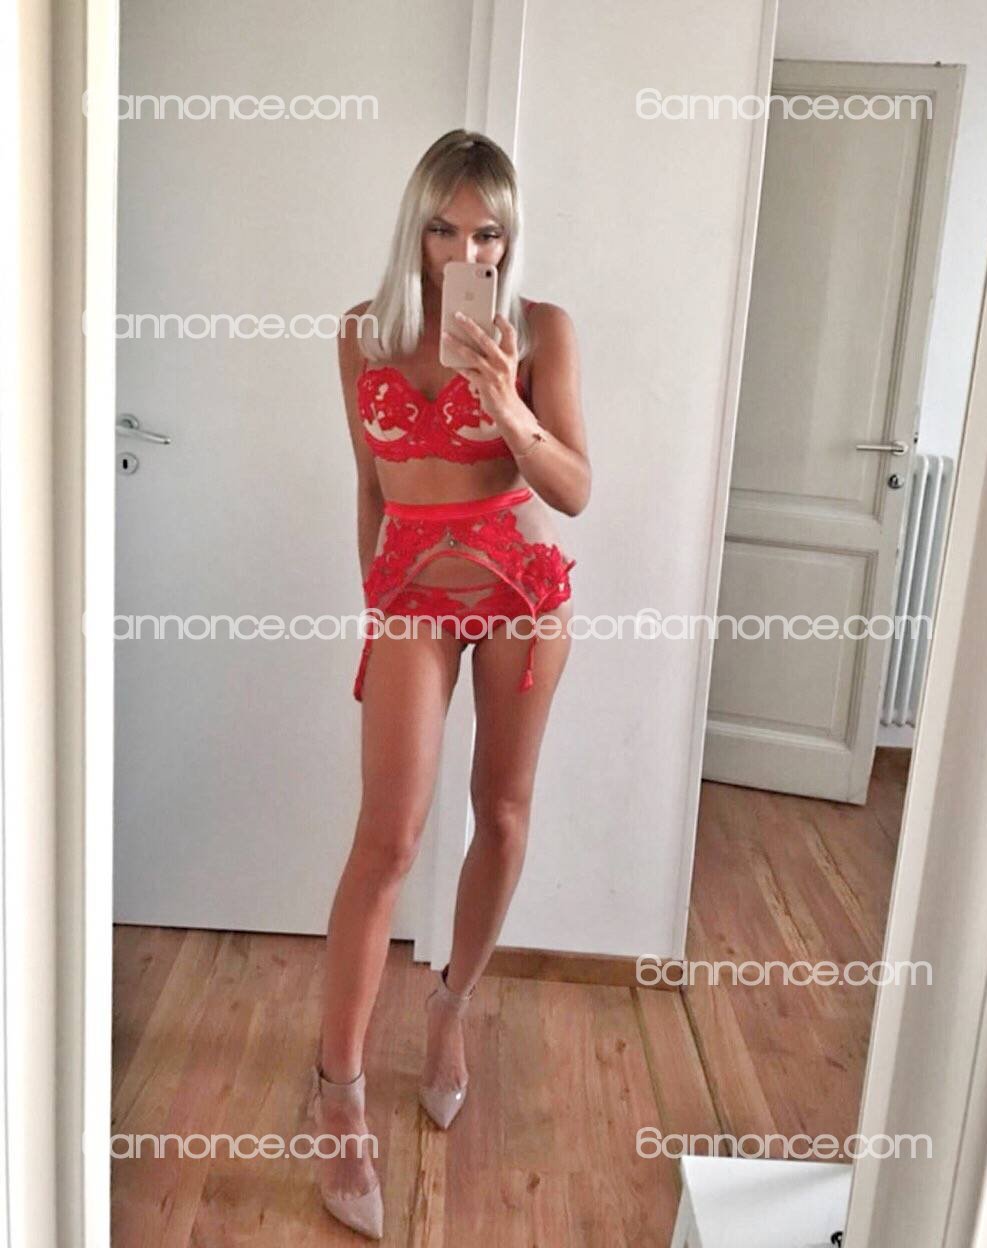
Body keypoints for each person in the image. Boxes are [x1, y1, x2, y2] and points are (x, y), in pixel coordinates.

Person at [307, 129, 591, 1239]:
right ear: (413, 226)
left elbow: (573, 488)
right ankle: (338, 1095)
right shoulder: (362, 333)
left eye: (486, 233)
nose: (463, 251)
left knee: (503, 816)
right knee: (388, 840)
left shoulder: (541, 329)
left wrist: (507, 401)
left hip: (520, 587)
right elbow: (369, 487)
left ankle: (450, 1006)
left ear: (507, 239)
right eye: (442, 227)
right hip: (413, 594)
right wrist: (374, 599)